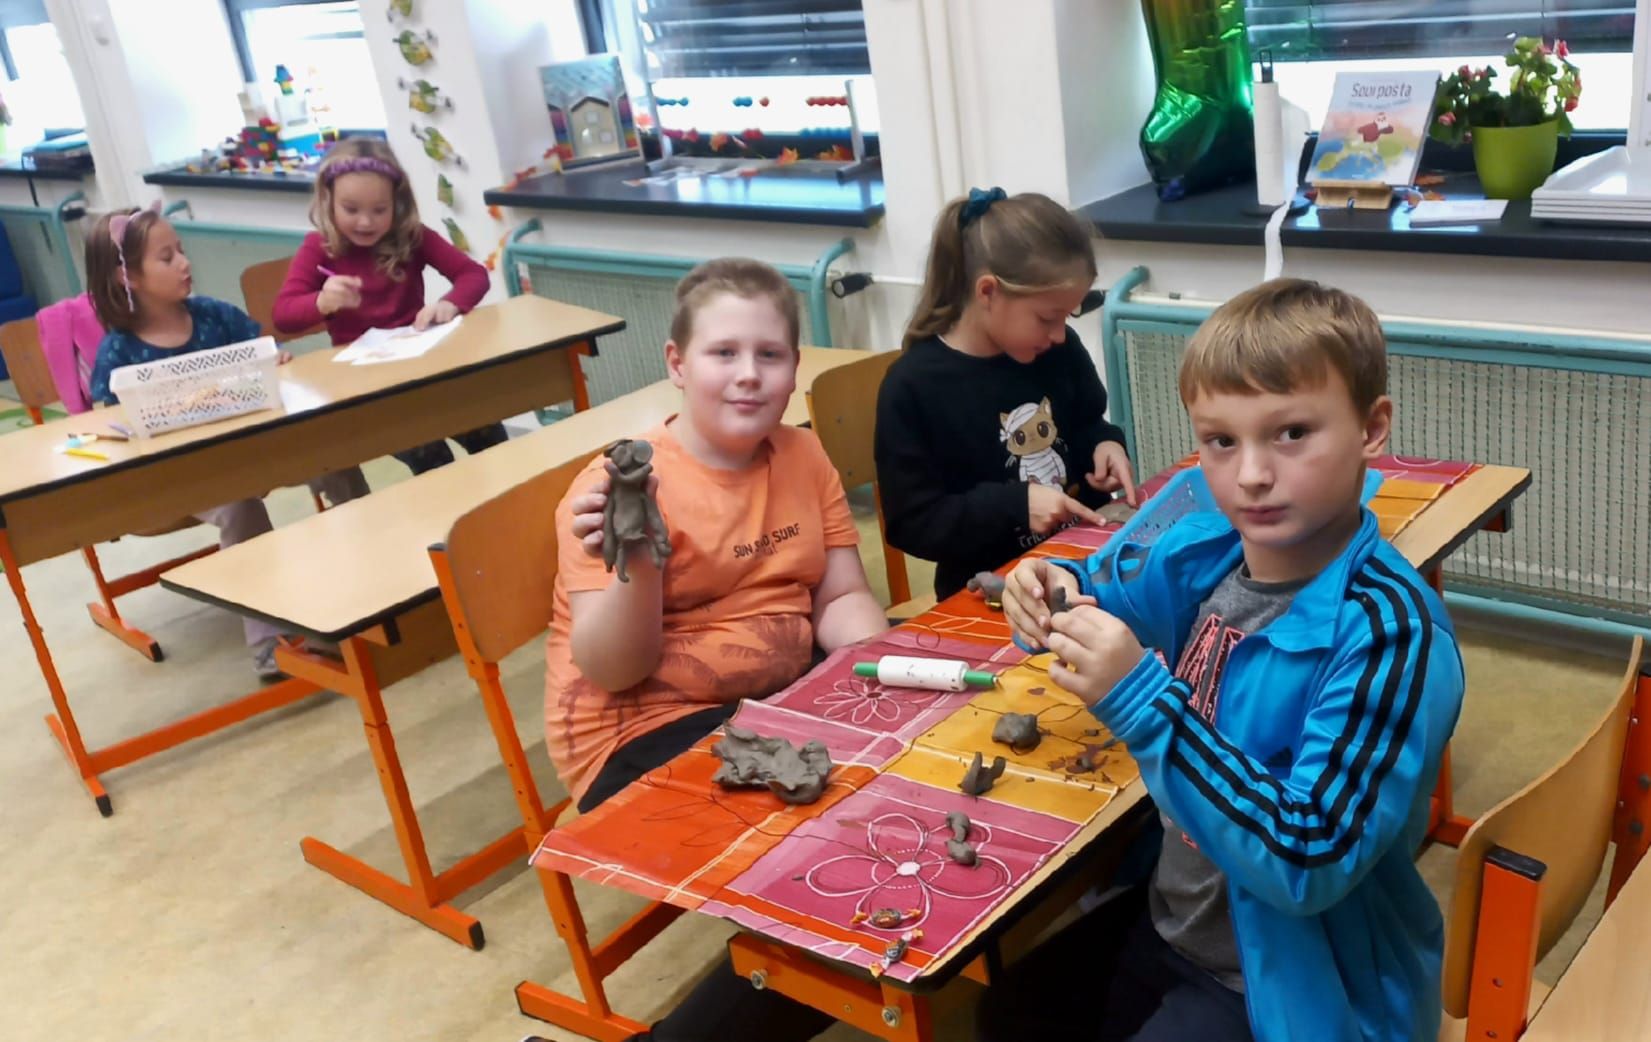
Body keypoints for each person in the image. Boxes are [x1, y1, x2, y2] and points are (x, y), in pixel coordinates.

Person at [988, 278, 1465, 1042]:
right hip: (1181, 920)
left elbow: (1308, 855)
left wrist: (1142, 702)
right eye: (1220, 441)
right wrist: (1051, 591)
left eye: (1291, 433)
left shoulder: (1389, 636)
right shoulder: (1208, 549)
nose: (1249, 475)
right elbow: (1104, 587)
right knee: (1007, 1013)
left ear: (1371, 430)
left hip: (1297, 984)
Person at [544, 258, 887, 1042]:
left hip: (769, 696)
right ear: (676, 363)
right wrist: (637, 558)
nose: (748, 374)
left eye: (769, 354)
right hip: (639, 728)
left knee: (895, 799)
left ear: (794, 367)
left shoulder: (801, 455)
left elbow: (839, 598)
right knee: (833, 868)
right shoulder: (616, 487)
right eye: (722, 352)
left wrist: (880, 678)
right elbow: (616, 670)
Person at [86, 205, 359, 681]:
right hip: (184, 476)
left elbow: (266, 354)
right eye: (167, 257)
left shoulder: (215, 315)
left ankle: (375, 583)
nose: (184, 263)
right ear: (127, 277)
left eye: (181, 251)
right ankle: (268, 640)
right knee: (238, 507)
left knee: (334, 460)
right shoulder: (118, 350)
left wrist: (277, 361)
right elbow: (109, 421)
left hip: (253, 451)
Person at [875, 186, 1137, 601]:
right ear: (987, 292)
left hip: (1083, 566)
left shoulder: (1059, 350)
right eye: (1047, 318)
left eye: (1067, 316)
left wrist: (1105, 445)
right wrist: (1015, 506)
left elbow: (1087, 423)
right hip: (990, 594)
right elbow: (914, 523)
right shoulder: (913, 387)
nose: (1059, 334)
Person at [273, 137, 505, 475]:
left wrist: (450, 303)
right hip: (368, 388)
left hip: (424, 369)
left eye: (379, 210)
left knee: (487, 430)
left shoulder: (412, 236)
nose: (365, 222)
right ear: (328, 201)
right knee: (431, 456)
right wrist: (321, 302)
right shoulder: (318, 247)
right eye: (351, 209)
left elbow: (473, 275)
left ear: (397, 203)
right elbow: (283, 315)